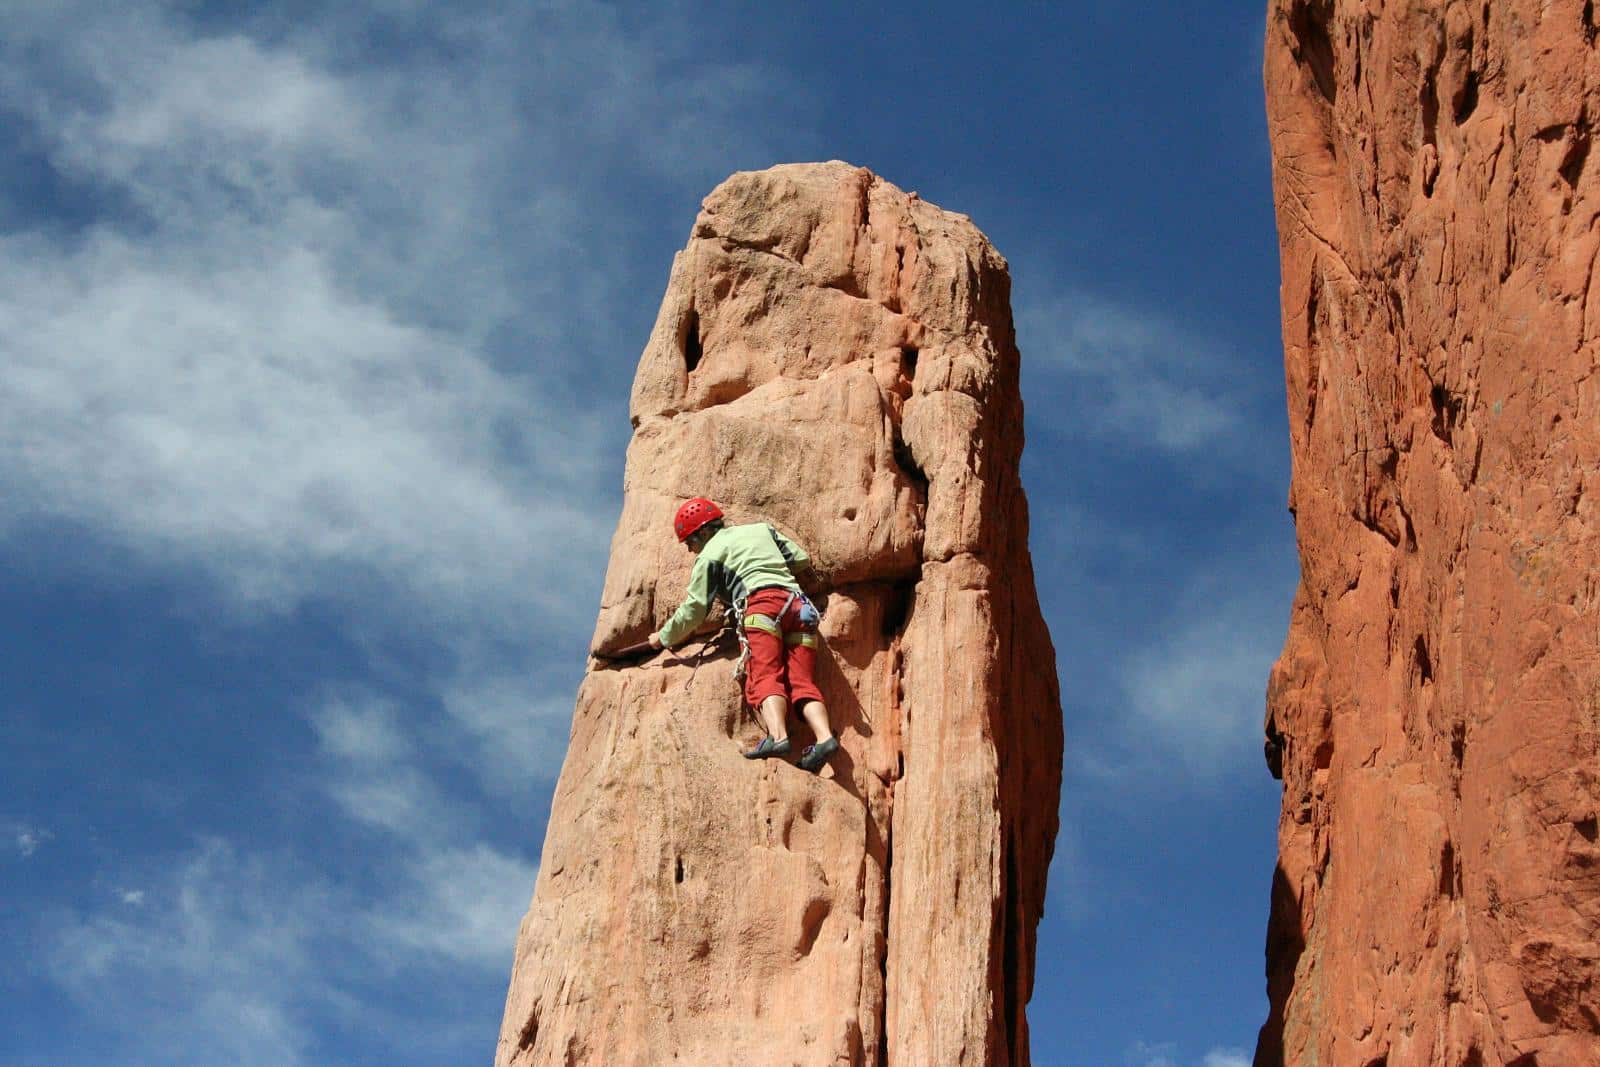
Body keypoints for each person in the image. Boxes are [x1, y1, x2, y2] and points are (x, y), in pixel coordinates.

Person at [650, 497, 840, 772]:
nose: (691, 550)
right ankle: (824, 738)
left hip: (762, 608)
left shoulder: (709, 554)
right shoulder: (761, 529)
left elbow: (695, 609)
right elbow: (800, 558)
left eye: (690, 541)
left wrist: (663, 637)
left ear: (703, 532)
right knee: (802, 681)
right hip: (799, 608)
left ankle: (778, 737)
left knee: (764, 675)